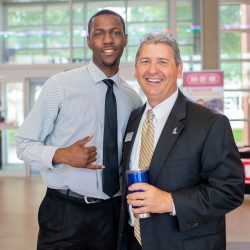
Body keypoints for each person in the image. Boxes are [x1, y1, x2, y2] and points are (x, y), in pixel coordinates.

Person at [16, 9, 141, 250]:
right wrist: (61, 155)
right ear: (89, 40)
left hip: (112, 213)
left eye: (115, 33)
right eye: (99, 33)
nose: (107, 40)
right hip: (65, 212)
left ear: (125, 39)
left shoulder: (132, 97)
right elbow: (24, 143)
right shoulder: (60, 86)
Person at [117, 32, 244, 250]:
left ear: (179, 69)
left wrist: (170, 201)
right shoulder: (133, 119)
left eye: (162, 62)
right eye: (145, 61)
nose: (152, 70)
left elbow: (230, 191)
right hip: (133, 242)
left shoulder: (210, 123)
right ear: (136, 71)